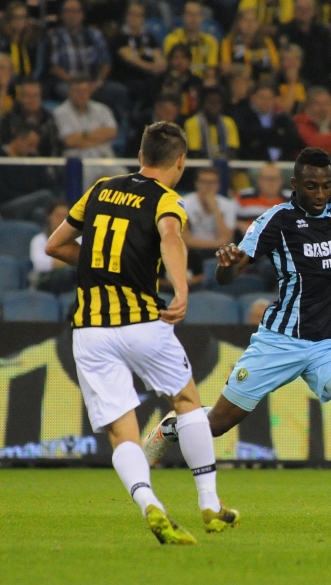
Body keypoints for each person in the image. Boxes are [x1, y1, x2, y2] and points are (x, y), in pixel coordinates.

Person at [143, 147, 331, 525]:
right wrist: (226, 268)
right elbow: (231, 270)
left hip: (330, 345)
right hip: (280, 343)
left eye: (326, 185)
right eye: (312, 186)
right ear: (295, 185)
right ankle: (174, 425)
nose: (321, 194)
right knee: (217, 425)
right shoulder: (276, 221)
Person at [44, 121, 240, 544]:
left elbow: (54, 245)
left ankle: (150, 503)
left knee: (122, 432)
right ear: (181, 162)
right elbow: (170, 235)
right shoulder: (166, 199)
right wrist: (182, 287)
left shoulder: (99, 188)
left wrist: (99, 268)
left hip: (91, 328)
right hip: (142, 322)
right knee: (187, 401)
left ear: (140, 156)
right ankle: (208, 502)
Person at [47, 0, 127, 121]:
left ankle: (119, 129)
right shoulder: (53, 35)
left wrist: (97, 82)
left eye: (75, 11)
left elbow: (106, 63)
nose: (72, 15)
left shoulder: (94, 35)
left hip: (93, 82)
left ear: (82, 14)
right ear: (62, 15)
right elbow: (52, 66)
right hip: (67, 82)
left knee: (119, 90)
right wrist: (76, 84)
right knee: (64, 91)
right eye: (68, 11)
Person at [53, 76, 121, 189]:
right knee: (84, 186)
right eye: (77, 91)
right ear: (69, 92)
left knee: (124, 179)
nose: (82, 94)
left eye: (85, 91)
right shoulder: (60, 113)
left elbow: (112, 132)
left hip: (105, 157)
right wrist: (99, 136)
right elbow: (69, 141)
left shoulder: (102, 109)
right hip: (78, 161)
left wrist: (83, 136)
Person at [181, 167, 237, 277]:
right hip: (192, 252)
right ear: (197, 183)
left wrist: (215, 210)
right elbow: (185, 238)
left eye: (212, 182)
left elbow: (227, 239)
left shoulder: (228, 205)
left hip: (218, 253)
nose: (208, 186)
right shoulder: (184, 204)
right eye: (204, 182)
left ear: (218, 185)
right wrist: (215, 243)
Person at [109, 1, 166, 103]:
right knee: (151, 85)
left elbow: (159, 58)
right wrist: (152, 68)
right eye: (132, 14)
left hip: (148, 78)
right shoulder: (119, 38)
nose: (134, 18)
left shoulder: (149, 37)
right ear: (126, 15)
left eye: (138, 15)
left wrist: (159, 66)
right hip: (126, 79)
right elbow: (132, 60)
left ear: (143, 18)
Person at [231, 83, 301, 161]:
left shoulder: (282, 118)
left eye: (269, 98)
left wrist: (260, 138)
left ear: (274, 100)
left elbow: (291, 140)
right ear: (253, 97)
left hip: (282, 163)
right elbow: (247, 136)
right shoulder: (242, 115)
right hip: (253, 163)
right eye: (261, 97)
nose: (265, 101)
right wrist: (277, 134)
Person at [278, 0, 331, 87]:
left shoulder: (323, 32)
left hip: (321, 81)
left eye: (307, 9)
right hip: (294, 81)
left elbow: (329, 60)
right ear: (294, 11)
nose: (303, 12)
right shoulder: (284, 31)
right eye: (300, 9)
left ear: (314, 12)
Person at [0, 78, 60, 156]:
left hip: (42, 164)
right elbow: (5, 146)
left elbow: (54, 147)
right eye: (27, 95)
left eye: (35, 95)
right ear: (20, 97)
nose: (32, 100)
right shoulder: (8, 120)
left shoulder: (49, 120)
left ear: (41, 98)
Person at [220, 9, 280, 85]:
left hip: (262, 80)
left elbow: (275, 66)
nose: (250, 24)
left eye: (253, 21)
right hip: (238, 81)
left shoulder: (266, 41)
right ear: (239, 23)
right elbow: (225, 67)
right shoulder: (229, 41)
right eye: (246, 20)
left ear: (258, 24)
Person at [29, 200, 77, 294]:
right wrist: (71, 259)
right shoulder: (39, 240)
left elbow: (86, 261)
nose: (62, 219)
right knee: (66, 273)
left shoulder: (78, 239)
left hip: (74, 280)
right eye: (58, 215)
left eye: (66, 216)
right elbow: (40, 265)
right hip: (47, 282)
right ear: (49, 217)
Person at [163, 1, 219, 82]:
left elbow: (210, 70)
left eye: (197, 14)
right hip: (179, 81)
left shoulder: (210, 41)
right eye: (189, 14)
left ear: (201, 17)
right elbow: (173, 68)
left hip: (201, 83)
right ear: (183, 17)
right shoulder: (172, 39)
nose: (193, 18)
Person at [183, 86, 240, 161]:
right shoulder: (192, 122)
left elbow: (232, 150)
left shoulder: (228, 122)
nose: (214, 106)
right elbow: (195, 152)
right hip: (201, 167)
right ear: (202, 103)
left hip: (225, 166)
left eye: (218, 102)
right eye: (210, 102)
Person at [0, 1, 44, 84]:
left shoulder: (34, 42)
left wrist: (28, 82)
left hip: (30, 83)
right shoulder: (2, 41)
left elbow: (39, 67)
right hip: (7, 84)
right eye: (16, 17)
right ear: (9, 19)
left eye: (23, 17)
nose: (20, 21)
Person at [155, 44, 204, 117]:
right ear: (170, 60)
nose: (179, 62)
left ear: (189, 61)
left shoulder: (196, 81)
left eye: (184, 58)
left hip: (191, 118)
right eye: (176, 57)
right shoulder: (161, 79)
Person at [235, 163, 286, 232]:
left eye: (274, 179)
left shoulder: (292, 199)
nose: (271, 183)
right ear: (259, 180)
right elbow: (230, 221)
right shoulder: (243, 197)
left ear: (281, 181)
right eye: (267, 178)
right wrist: (241, 225)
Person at [275, 43, 308, 116]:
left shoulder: (305, 83)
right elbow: (285, 110)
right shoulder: (274, 83)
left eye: (295, 58)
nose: (292, 62)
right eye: (287, 59)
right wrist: (292, 83)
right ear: (281, 63)